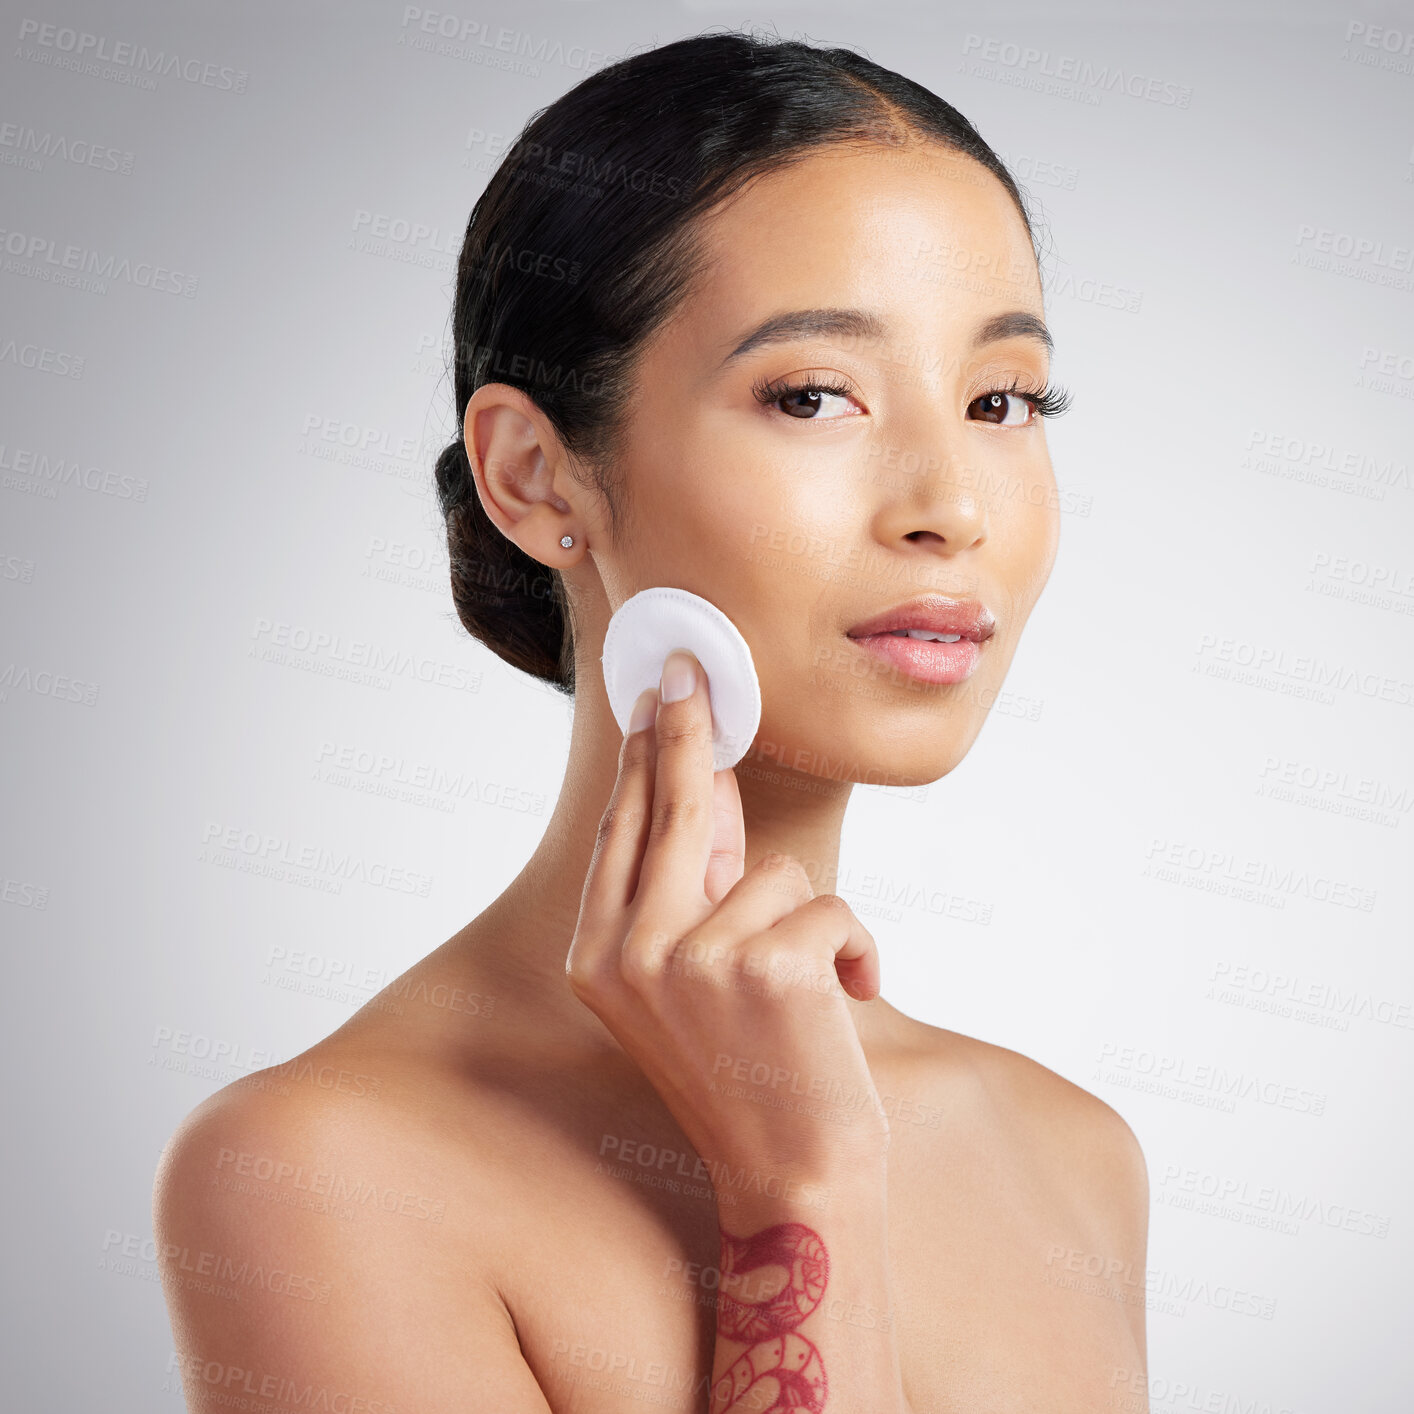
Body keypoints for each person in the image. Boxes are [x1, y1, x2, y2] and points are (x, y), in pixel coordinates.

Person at [154, 30, 1149, 1413]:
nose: (951, 503)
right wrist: (791, 1187)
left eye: (1000, 400)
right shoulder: (319, 1172)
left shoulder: (1067, 1154)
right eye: (813, 394)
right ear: (534, 474)